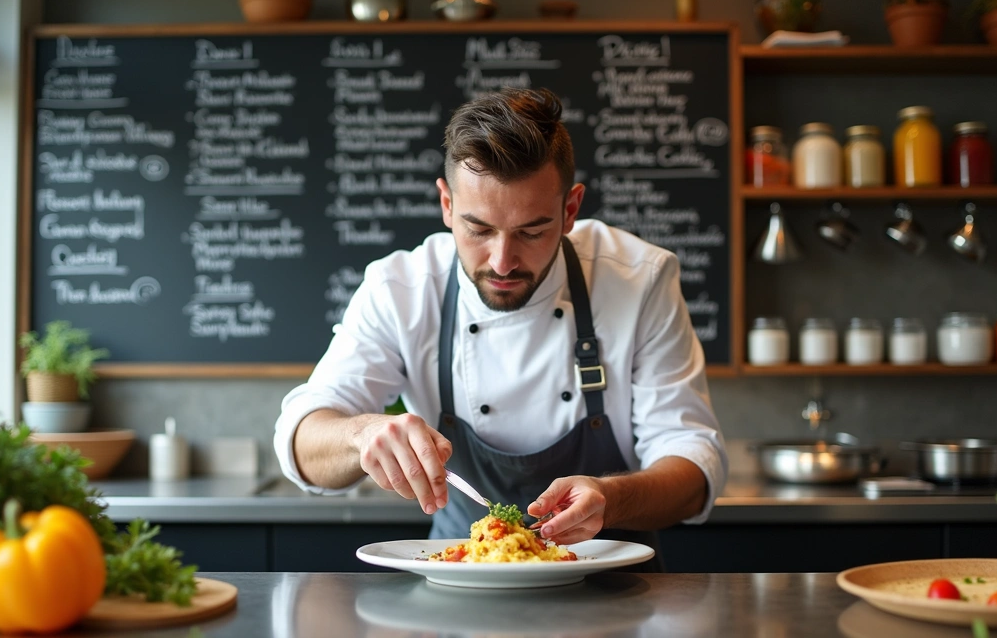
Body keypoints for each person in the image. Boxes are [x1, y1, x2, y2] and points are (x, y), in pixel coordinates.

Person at [273, 87, 727, 551]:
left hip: (615, 577)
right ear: (447, 205)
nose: (503, 261)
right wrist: (361, 435)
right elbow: (302, 442)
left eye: (532, 231)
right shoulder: (401, 289)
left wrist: (611, 499)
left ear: (570, 210)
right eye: (479, 229)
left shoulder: (640, 278)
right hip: (458, 576)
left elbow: (693, 469)